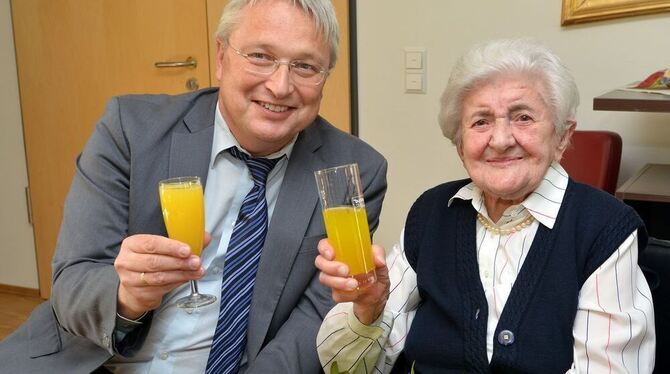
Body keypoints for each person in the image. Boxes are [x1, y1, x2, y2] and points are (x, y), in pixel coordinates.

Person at [0, 0, 387, 373]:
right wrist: (126, 298)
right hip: (94, 359)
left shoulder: (354, 170)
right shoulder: (130, 131)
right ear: (221, 58)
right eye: (260, 56)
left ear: (325, 77)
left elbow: (313, 321)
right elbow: (73, 282)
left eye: (305, 66)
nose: (281, 85)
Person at [315, 38, 655, 373]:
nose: (502, 140)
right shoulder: (432, 213)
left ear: (562, 136)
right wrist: (368, 308)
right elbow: (345, 366)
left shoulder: (605, 228)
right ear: (460, 144)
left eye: (523, 117)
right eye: (481, 121)